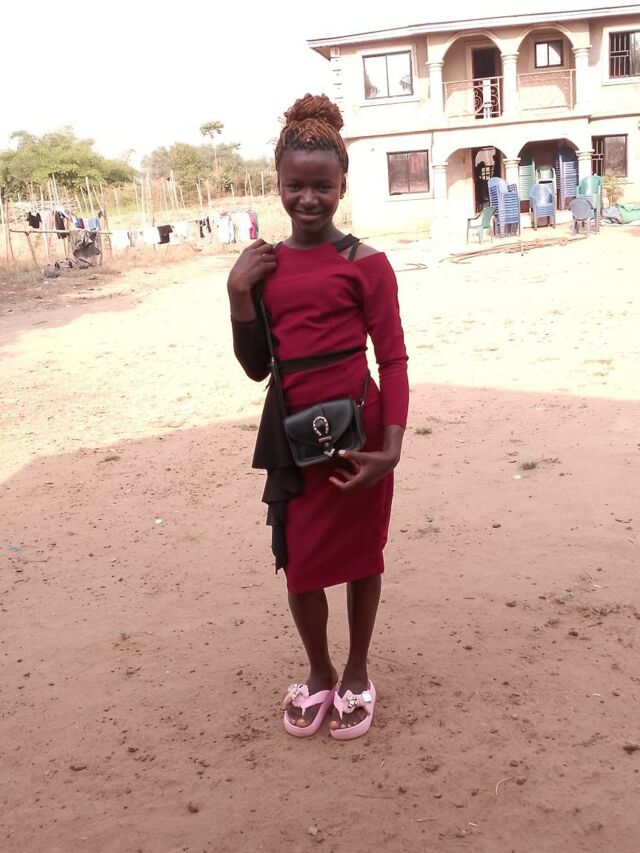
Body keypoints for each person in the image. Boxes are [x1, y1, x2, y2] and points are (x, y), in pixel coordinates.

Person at [227, 93, 409, 740]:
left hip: (360, 435)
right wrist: (237, 292)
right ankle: (320, 670)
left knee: (362, 556)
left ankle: (357, 671)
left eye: (322, 187)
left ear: (342, 186)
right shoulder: (264, 268)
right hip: (293, 440)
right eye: (295, 186)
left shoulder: (367, 264)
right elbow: (256, 366)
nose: (309, 199)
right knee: (300, 562)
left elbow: (393, 358)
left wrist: (391, 448)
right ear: (277, 183)